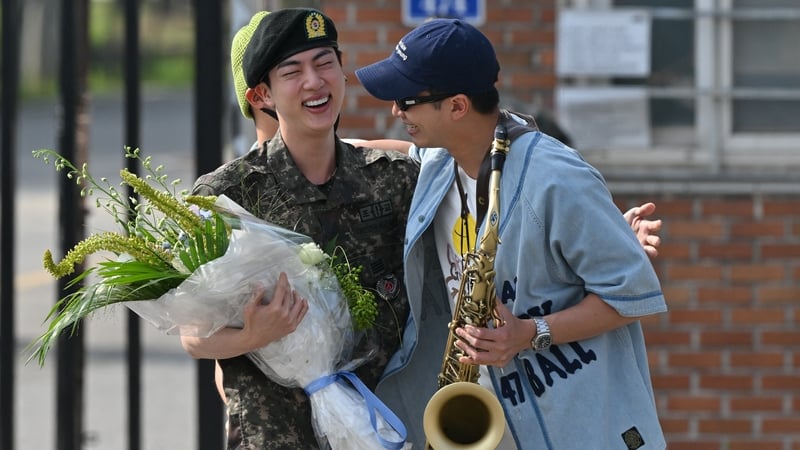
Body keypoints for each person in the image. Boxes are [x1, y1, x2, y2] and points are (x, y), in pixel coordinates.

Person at [356, 18, 668, 450]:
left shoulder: (558, 178)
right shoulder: (440, 164)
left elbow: (632, 296)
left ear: (457, 106)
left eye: (406, 100)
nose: (396, 111)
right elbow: (390, 151)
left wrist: (530, 332)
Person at [181, 8, 418, 449]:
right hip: (275, 436)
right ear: (262, 95)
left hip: (384, 429)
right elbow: (194, 335)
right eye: (292, 71)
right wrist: (254, 336)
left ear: (343, 74)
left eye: (325, 63)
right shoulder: (227, 196)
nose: (314, 81)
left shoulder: (394, 179)